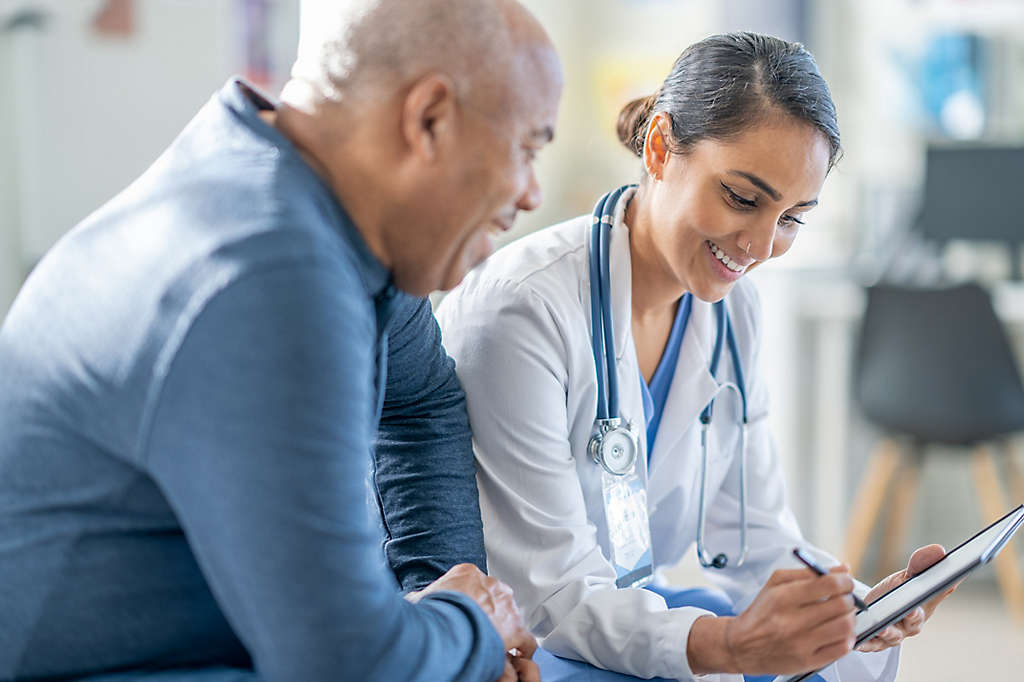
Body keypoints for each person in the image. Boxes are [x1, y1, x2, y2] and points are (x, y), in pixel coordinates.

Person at [0, 0, 562, 680]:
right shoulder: (268, 270)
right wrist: (469, 631)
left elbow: (422, 401)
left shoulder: (306, 198)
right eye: (528, 147)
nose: (533, 194)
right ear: (428, 119)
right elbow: (346, 665)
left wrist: (448, 607)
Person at [436, 32, 953, 682]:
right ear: (658, 147)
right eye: (742, 198)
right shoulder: (522, 310)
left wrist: (845, 611)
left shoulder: (734, 311)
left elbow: (755, 536)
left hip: (617, 616)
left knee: (816, 665)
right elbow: (552, 594)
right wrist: (728, 647)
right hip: (518, 642)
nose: (762, 245)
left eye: (793, 217)